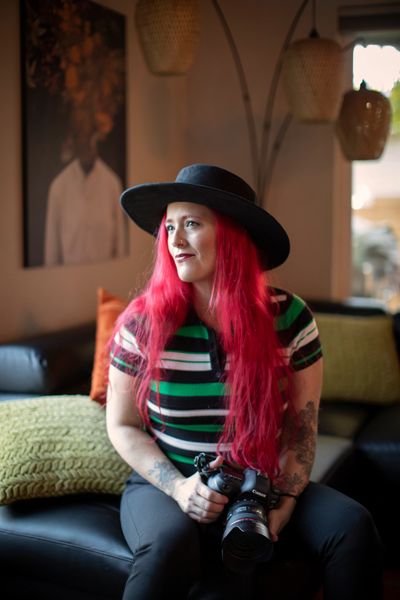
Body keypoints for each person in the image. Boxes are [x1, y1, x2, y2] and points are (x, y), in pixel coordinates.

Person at [106, 164, 383, 600]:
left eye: (192, 225)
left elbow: (301, 426)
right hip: (168, 480)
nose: (175, 242)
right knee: (167, 545)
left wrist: (286, 501)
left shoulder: (290, 319)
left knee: (352, 527)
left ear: (233, 237)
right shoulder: (142, 323)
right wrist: (180, 489)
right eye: (170, 227)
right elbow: (120, 424)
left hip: (261, 482)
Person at [44, 114, 127, 266]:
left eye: (90, 137)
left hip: (107, 277)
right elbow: (52, 247)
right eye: (81, 138)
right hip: (69, 280)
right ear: (73, 141)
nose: (86, 143)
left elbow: (120, 243)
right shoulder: (59, 187)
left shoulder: (112, 184)